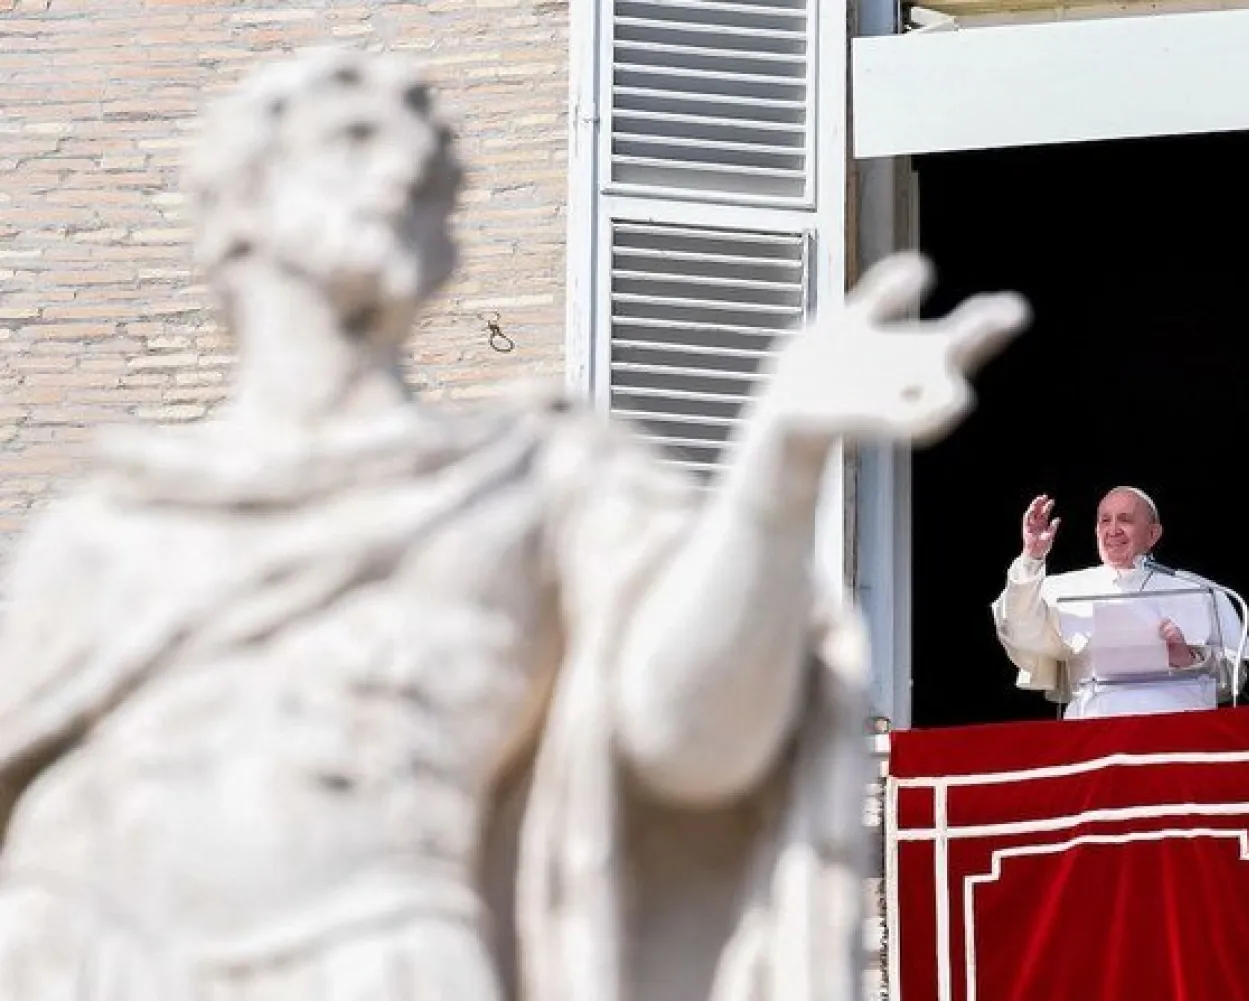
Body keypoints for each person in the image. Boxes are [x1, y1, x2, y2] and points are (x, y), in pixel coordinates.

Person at [0, 47, 1028, 1001]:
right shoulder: (103, 526)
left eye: (431, 160)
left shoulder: (536, 482)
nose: (402, 167)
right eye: (351, 137)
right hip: (82, 954)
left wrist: (777, 457)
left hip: (378, 964)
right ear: (236, 204)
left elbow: (696, 741)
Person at [991, 487, 1249, 720]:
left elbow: (1234, 681)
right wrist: (1031, 558)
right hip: (1093, 736)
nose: (1112, 529)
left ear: (1153, 533)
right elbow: (1020, 631)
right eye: (1104, 520)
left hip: (1176, 733)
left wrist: (1189, 659)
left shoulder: (1196, 589)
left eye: (1125, 519)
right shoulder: (1065, 588)